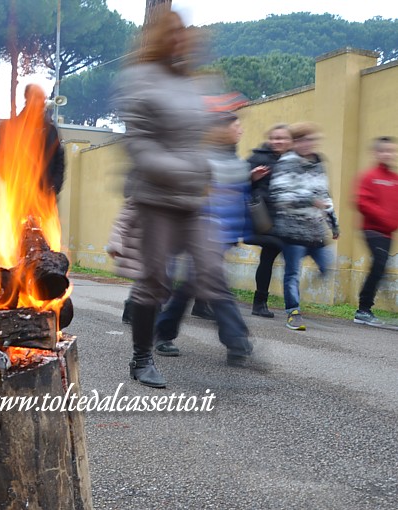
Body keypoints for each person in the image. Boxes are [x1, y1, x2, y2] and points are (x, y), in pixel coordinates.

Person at [112, 7, 254, 388]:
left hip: (193, 200)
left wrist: (206, 166)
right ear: (160, 37)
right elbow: (138, 144)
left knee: (209, 269)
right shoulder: (141, 78)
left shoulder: (193, 83)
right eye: (173, 33)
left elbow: (204, 134)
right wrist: (183, 168)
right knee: (154, 279)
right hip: (155, 198)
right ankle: (142, 358)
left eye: (186, 34)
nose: (182, 40)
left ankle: (238, 341)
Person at [152, 112, 266, 357]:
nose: (240, 130)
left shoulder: (232, 159)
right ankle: (237, 341)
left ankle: (163, 331)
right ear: (219, 129)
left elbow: (235, 197)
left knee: (194, 284)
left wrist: (250, 180)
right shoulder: (201, 156)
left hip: (222, 233)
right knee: (214, 283)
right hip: (202, 230)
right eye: (236, 125)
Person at [269, 122, 339, 331]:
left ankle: (298, 299)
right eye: (302, 139)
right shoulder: (286, 164)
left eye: (311, 139)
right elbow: (279, 197)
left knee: (327, 264)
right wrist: (309, 201)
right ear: (295, 142)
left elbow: (325, 196)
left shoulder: (319, 163)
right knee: (292, 273)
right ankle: (293, 312)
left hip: (316, 230)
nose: (307, 144)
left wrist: (333, 223)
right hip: (291, 230)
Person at [244, 124, 294, 318]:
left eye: (282, 138)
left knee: (282, 259)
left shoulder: (294, 159)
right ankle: (260, 303)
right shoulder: (258, 157)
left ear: (290, 141)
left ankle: (267, 303)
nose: (277, 142)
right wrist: (252, 177)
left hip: (288, 221)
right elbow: (237, 181)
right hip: (265, 220)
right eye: (274, 138)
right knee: (268, 259)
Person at [353, 136, 398, 325]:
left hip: (388, 233)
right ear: (376, 153)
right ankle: (363, 310)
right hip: (372, 230)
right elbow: (361, 201)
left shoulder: (395, 179)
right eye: (383, 150)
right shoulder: (369, 176)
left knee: (380, 268)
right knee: (379, 265)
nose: (388, 154)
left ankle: (365, 309)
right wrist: (386, 218)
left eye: (391, 150)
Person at [0, 84, 65, 196]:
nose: (42, 102)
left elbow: (59, 161)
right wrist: (16, 182)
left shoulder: (51, 131)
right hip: (18, 198)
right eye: (37, 97)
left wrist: (53, 188)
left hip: (45, 200)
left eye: (43, 98)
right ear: (27, 99)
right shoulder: (9, 128)